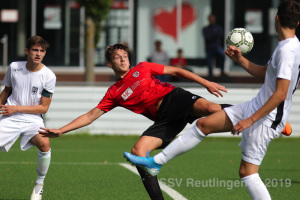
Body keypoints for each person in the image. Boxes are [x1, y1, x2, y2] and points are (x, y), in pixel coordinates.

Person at [124, 1, 300, 199]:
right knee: (203, 124)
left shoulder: (287, 51)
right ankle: (156, 163)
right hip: (256, 107)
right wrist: (240, 60)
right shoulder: (287, 46)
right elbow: (265, 74)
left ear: (276, 18)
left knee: (248, 173)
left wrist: (250, 120)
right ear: (298, 23)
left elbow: (281, 93)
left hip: (265, 118)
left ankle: (157, 162)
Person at [39, 43, 229, 200]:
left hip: (176, 98)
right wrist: (62, 130)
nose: (123, 58)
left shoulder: (143, 68)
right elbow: (90, 116)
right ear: (109, 64)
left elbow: (177, 71)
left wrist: (207, 83)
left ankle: (253, 113)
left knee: (212, 109)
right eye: (117, 57)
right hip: (164, 119)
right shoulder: (114, 93)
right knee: (138, 152)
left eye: (125, 55)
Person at [0, 36, 56, 200]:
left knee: (45, 143)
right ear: (27, 51)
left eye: (42, 51)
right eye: (35, 50)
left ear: (44, 53)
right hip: (10, 116)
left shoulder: (49, 76)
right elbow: (6, 90)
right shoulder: (14, 67)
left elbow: (44, 107)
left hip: (33, 118)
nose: (38, 54)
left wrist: (16, 108)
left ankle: (39, 184)